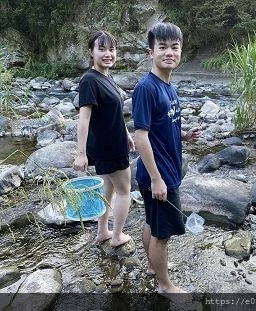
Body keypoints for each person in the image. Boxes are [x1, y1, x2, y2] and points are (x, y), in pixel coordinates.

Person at [132, 22, 201, 294]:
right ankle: (165, 285)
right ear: (151, 52)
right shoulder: (146, 88)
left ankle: (153, 267)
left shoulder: (168, 86)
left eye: (175, 47)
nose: (169, 52)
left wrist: (183, 136)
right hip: (159, 174)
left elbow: (161, 126)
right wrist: (156, 179)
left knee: (152, 222)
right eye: (163, 47)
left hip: (163, 170)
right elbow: (140, 137)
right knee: (163, 233)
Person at [73, 30, 134, 248]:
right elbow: (84, 118)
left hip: (115, 142)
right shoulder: (90, 80)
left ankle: (102, 232)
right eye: (102, 49)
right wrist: (81, 154)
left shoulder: (106, 76)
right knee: (125, 192)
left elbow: (113, 112)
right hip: (109, 147)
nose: (108, 54)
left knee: (108, 189)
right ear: (91, 52)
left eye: (111, 49)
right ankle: (117, 236)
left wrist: (126, 134)